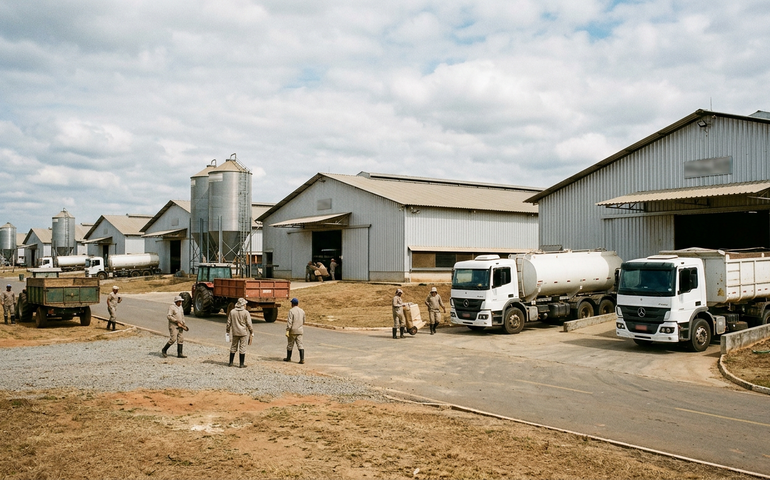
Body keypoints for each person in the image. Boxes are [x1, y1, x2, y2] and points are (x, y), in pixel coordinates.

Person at [226, 298, 253, 368]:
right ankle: (241, 364)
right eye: (245, 304)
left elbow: (228, 323)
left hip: (235, 332)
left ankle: (230, 363)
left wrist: (227, 331)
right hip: (243, 333)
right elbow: (249, 324)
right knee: (242, 348)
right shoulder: (246, 313)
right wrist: (251, 331)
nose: (246, 305)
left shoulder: (232, 312)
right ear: (243, 305)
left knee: (233, 347)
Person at [284, 298, 306, 364]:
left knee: (290, 344)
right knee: (300, 345)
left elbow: (289, 321)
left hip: (292, 330)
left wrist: (288, 329)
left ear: (292, 304)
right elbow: (304, 320)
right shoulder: (302, 311)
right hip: (300, 330)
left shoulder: (291, 311)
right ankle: (302, 359)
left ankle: (288, 358)